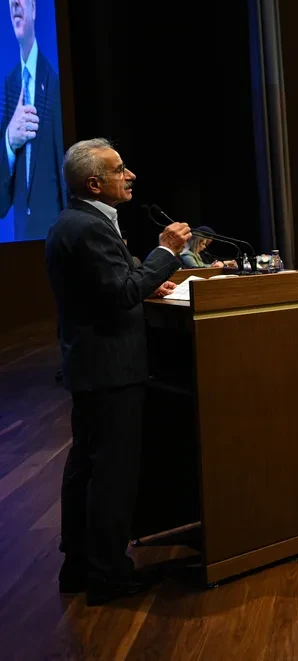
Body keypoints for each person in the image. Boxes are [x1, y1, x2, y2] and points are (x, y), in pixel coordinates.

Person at [46, 138, 192, 604]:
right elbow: (119, 294)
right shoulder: (88, 228)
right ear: (94, 183)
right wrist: (165, 251)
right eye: (120, 169)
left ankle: (80, 566)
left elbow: (114, 283)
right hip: (110, 368)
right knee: (111, 472)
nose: (130, 176)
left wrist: (148, 277)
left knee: (86, 466)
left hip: (92, 367)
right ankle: (109, 574)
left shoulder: (79, 223)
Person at [1, 0, 66, 240]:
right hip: (20, 246)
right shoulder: (11, 83)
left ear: (34, 4)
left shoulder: (53, 81)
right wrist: (9, 143)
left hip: (55, 240)